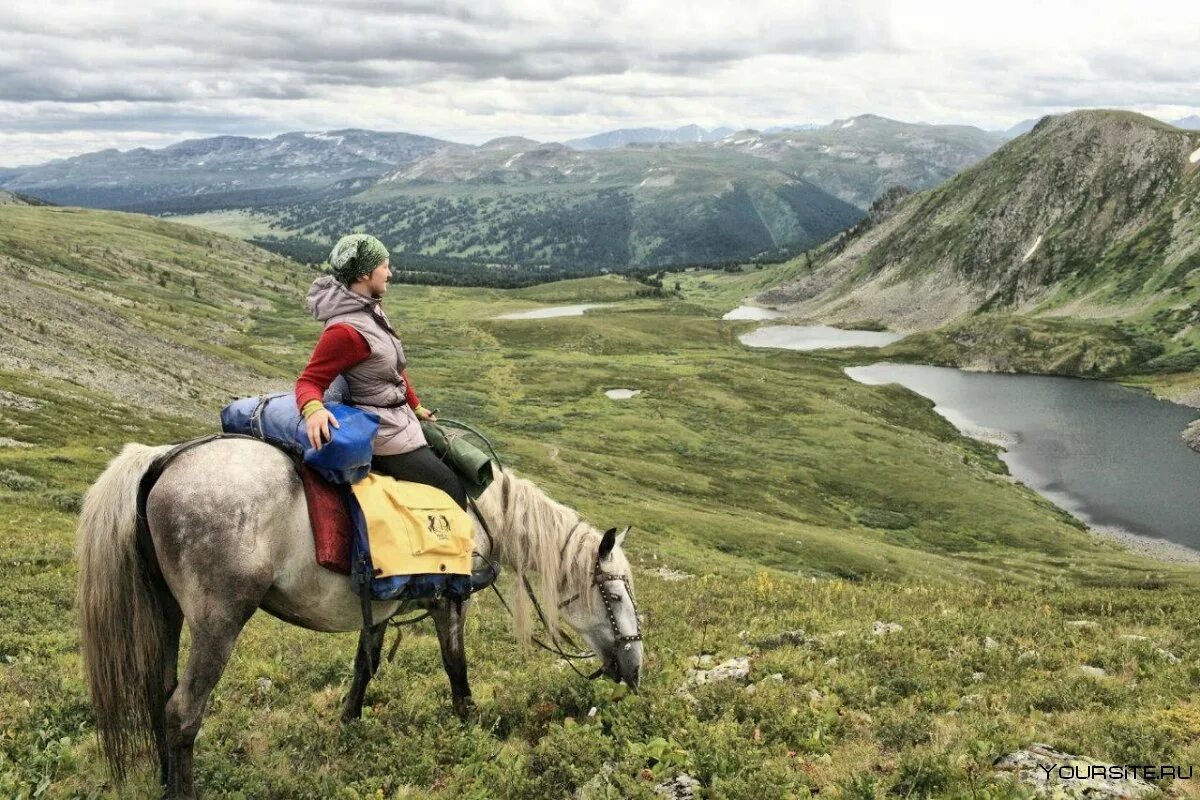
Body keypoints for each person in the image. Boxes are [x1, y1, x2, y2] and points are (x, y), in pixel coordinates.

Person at [295, 234, 468, 510]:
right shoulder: (346, 331)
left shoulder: (369, 309)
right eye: (385, 266)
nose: (390, 273)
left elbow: (392, 369)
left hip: (399, 420)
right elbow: (309, 381)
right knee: (450, 487)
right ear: (365, 273)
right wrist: (313, 410)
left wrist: (416, 405)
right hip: (383, 433)